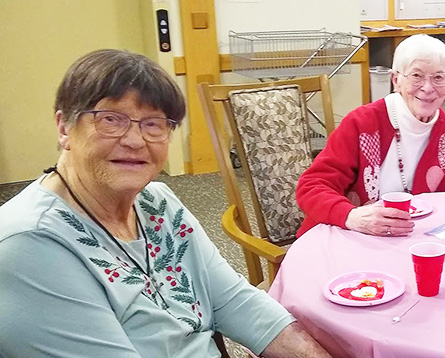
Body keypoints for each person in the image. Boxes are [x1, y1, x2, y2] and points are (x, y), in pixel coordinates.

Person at [0, 49, 330, 358]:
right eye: (110, 120)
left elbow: (234, 301)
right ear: (64, 127)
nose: (133, 141)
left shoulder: (158, 203)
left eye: (153, 124)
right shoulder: (29, 243)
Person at [296, 34, 445, 237]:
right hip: (349, 233)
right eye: (416, 76)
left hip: (410, 239)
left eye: (438, 77)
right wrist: (350, 216)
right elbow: (311, 186)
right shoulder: (362, 123)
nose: (428, 88)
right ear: (396, 80)